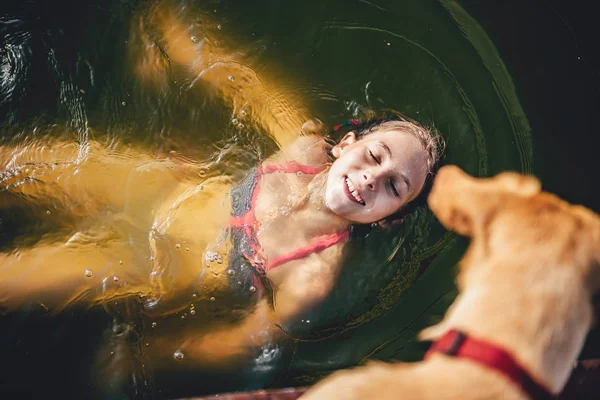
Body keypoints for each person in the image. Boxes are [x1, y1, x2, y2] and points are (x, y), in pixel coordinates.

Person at [0, 0, 444, 390]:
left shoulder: (314, 274)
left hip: (151, 260)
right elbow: (239, 82)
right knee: (19, 162)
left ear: (389, 218)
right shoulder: (304, 145)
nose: (372, 178)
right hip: (157, 185)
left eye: (393, 187)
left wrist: (151, 349)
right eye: (375, 155)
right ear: (347, 144)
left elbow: (244, 341)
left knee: (15, 277)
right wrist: (168, 41)